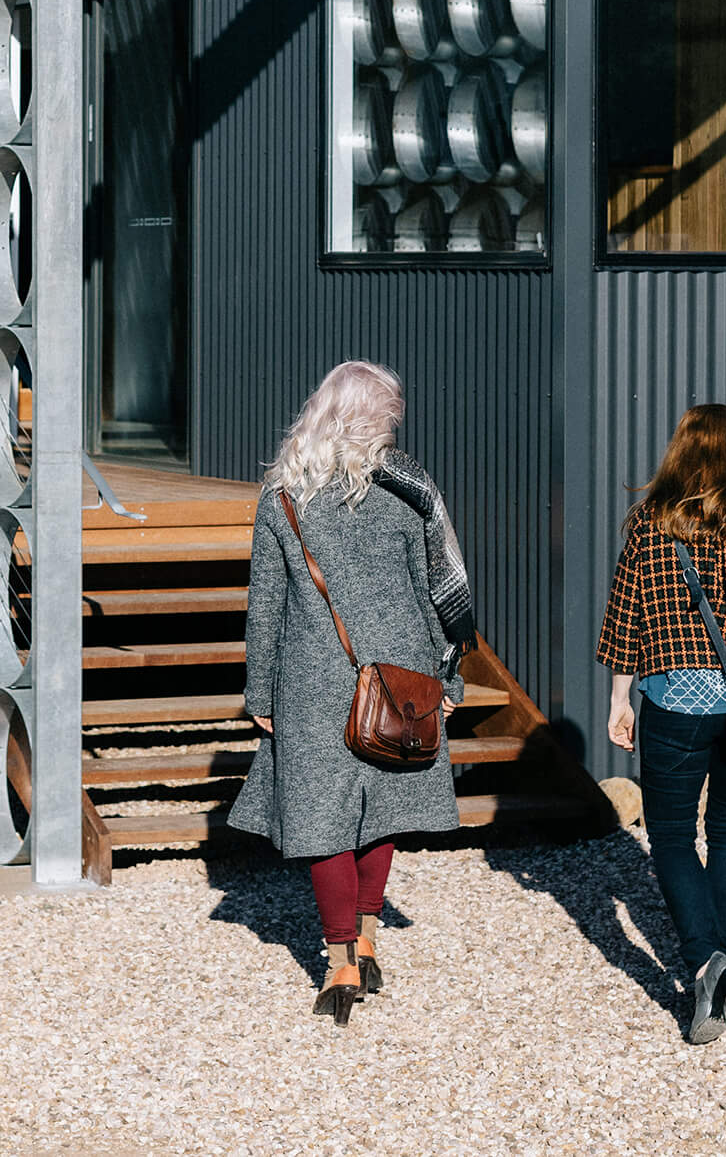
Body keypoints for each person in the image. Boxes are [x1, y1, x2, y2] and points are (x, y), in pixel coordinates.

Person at [227, 361, 473, 1025]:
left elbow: (267, 602)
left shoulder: (283, 491)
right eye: (389, 411)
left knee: (320, 817)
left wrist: (260, 689)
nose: (395, 422)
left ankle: (340, 960)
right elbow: (443, 583)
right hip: (403, 674)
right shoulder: (411, 484)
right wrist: (448, 674)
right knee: (383, 801)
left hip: (312, 675)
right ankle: (365, 935)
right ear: (372, 416)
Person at [596, 403, 726, 1046]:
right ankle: (722, 956)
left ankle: (704, 960)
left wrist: (618, 699)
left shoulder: (652, 523)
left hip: (674, 698)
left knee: (668, 834)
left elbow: (623, 615)